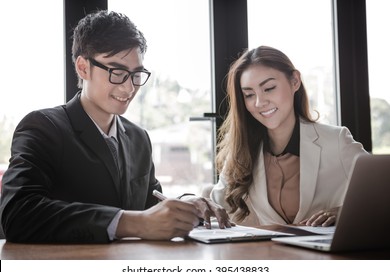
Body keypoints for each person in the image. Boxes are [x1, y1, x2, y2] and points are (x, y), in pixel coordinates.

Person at [0, 10, 230, 243]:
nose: (129, 88)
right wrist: (133, 223)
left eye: (136, 74)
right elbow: (17, 214)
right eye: (117, 73)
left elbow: (152, 204)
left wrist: (186, 204)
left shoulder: (139, 138)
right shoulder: (43, 128)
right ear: (83, 67)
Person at [208, 46, 367, 227]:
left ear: (295, 81)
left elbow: (382, 194)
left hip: (324, 254)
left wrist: (344, 212)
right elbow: (214, 207)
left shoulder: (336, 141)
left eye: (269, 88)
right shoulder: (240, 150)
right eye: (249, 95)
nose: (260, 102)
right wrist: (188, 201)